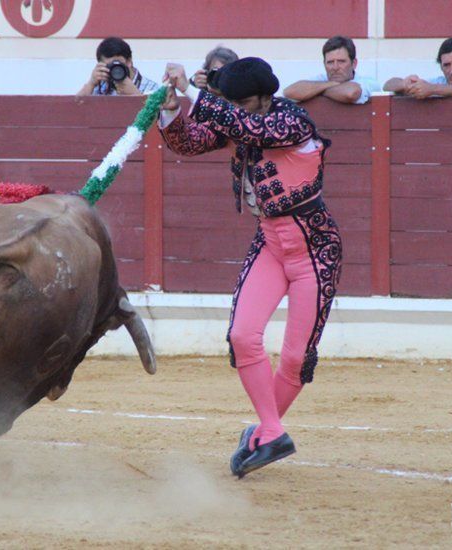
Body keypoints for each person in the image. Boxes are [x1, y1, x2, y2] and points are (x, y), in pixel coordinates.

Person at [159, 58, 343, 477]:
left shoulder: (291, 119)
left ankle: (263, 432)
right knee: (243, 335)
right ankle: (272, 431)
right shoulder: (242, 119)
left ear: (265, 96)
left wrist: (195, 91)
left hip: (316, 249)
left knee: (296, 358)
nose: (239, 110)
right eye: (234, 103)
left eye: (245, 103)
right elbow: (188, 143)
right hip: (271, 242)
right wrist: (171, 110)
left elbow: (254, 131)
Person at [384, 37, 452, 98]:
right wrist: (405, 84)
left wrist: (432, 89)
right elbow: (387, 86)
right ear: (441, 67)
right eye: (446, 65)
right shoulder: (438, 82)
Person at [283, 35, 380, 104]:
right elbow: (289, 92)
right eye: (330, 62)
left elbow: (351, 93)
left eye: (341, 61)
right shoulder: (322, 80)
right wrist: (331, 84)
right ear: (324, 64)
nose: (335, 67)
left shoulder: (369, 82)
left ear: (354, 63)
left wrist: (318, 91)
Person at [76, 36, 159, 97]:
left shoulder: (151, 88)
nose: (114, 70)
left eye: (117, 64)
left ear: (129, 61)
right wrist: (91, 83)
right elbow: (76, 109)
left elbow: (155, 118)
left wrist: (135, 95)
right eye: (109, 66)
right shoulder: (100, 88)